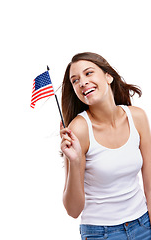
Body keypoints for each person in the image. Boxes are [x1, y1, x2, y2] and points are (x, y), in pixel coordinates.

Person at [60, 52, 151, 240]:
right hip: (101, 233)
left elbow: (150, 184)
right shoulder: (78, 129)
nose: (82, 82)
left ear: (108, 76)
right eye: (75, 80)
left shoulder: (138, 117)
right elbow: (73, 210)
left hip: (143, 224)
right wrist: (75, 161)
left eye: (88, 73)